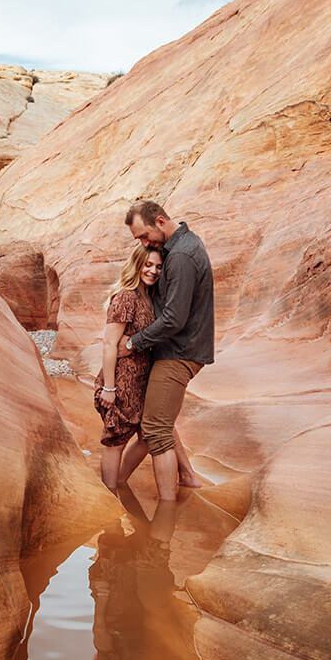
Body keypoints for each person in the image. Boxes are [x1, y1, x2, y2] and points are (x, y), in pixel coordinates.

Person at [123, 199, 215, 500]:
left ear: (160, 221)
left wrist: (133, 342)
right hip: (177, 349)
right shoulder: (181, 246)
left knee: (155, 430)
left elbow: (174, 318)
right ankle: (187, 476)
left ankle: (165, 510)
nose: (143, 242)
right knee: (161, 419)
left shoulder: (181, 257)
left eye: (143, 235)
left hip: (179, 352)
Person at [94, 245, 198, 490]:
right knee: (115, 439)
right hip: (121, 380)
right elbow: (109, 343)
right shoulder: (126, 296)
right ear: (136, 264)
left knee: (147, 435)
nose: (152, 271)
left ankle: (119, 483)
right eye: (148, 265)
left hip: (141, 380)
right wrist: (109, 388)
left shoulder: (148, 298)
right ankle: (111, 495)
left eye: (158, 267)